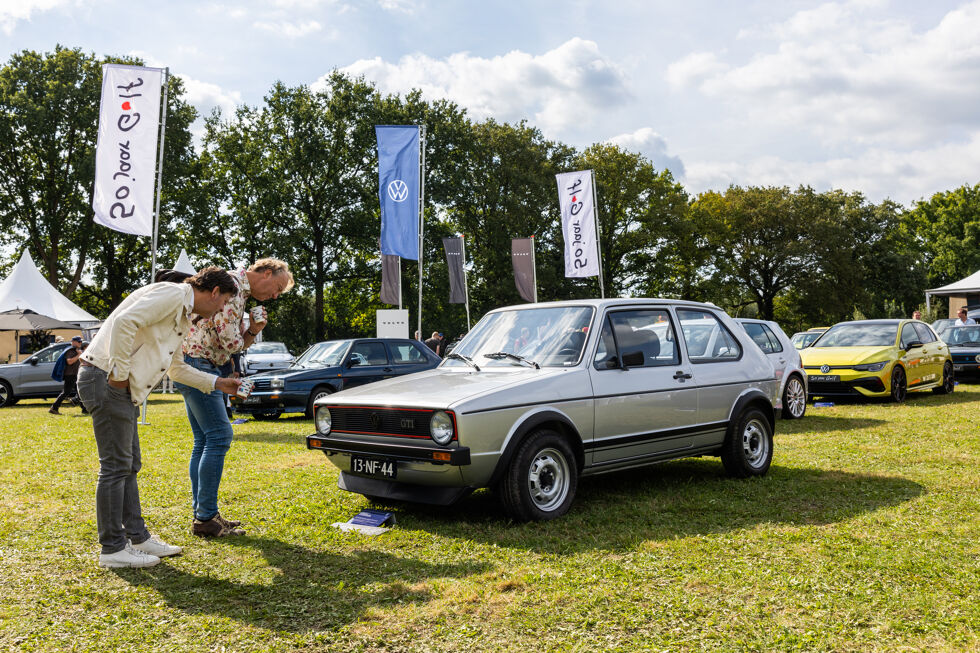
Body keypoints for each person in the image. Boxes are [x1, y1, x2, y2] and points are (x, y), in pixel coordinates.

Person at [77, 267, 241, 569]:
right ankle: (113, 548)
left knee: (129, 464)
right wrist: (119, 375)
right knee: (116, 467)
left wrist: (218, 383)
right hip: (104, 378)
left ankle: (137, 538)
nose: (220, 311)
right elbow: (125, 322)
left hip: (114, 383)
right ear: (215, 291)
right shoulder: (173, 293)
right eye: (222, 304)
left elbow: (177, 369)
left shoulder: (182, 315)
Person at [178, 258, 294, 538]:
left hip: (194, 363)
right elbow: (231, 342)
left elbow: (230, 345)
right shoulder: (231, 288)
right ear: (266, 273)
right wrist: (253, 329)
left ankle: (204, 512)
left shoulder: (235, 289)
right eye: (276, 287)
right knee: (219, 436)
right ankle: (205, 518)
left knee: (204, 440)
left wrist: (249, 333)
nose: (275, 296)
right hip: (201, 365)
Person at [50, 336, 85, 414]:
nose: (80, 343)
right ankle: (54, 408)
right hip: (70, 375)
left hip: (75, 374)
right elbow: (69, 361)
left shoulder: (77, 350)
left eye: (80, 342)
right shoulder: (70, 351)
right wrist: (78, 355)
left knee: (79, 392)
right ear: (73, 342)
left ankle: (84, 409)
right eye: (79, 342)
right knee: (66, 392)